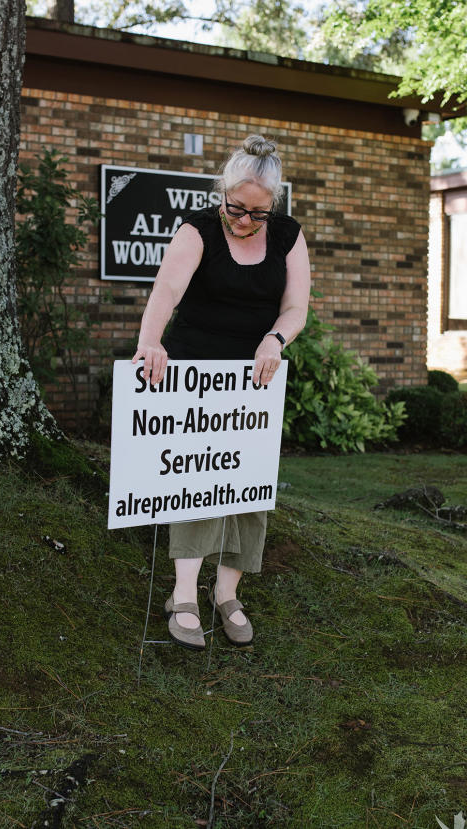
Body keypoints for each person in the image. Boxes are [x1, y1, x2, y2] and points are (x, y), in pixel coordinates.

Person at [131, 135, 311, 650]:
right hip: (195, 373)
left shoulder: (287, 236)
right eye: (237, 208)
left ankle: (226, 593)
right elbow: (165, 290)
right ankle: (184, 593)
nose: (245, 221)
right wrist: (150, 342)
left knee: (249, 487)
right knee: (198, 479)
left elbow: (296, 306)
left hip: (255, 376)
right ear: (223, 193)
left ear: (272, 204)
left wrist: (275, 339)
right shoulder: (198, 230)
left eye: (258, 213)